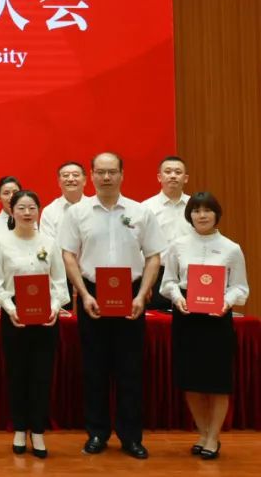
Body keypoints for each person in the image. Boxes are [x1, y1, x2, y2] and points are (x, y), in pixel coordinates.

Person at [59, 152, 166, 460]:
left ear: (122, 175)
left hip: (131, 297)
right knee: (94, 369)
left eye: (112, 172)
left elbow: (154, 256)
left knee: (130, 370)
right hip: (92, 295)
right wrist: (83, 294)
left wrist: (141, 295)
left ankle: (131, 437)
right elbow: (68, 255)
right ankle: (97, 433)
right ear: (92, 175)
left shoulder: (141, 212)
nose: (106, 177)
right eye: (101, 172)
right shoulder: (77, 213)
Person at [160, 192, 249, 460]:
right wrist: (177, 298)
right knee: (191, 381)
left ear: (216, 214)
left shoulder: (231, 248)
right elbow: (168, 282)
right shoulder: (177, 245)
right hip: (187, 317)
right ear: (190, 215)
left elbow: (240, 287)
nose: (202, 215)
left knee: (217, 382)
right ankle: (203, 432)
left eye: (207, 210)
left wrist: (226, 302)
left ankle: (213, 437)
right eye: (196, 210)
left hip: (217, 319)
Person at [0, 190, 69, 458]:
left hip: (46, 319)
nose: (27, 212)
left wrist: (54, 308)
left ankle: (38, 431)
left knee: (42, 375)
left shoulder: (50, 243)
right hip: (15, 318)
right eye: (21, 208)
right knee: (17, 375)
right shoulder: (0, 243)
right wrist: (11, 309)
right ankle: (20, 429)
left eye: (32, 207)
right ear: (12, 211)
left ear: (38, 211)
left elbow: (60, 283)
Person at [143, 156, 191, 310]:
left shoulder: (196, 207)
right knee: (157, 319)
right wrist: (145, 283)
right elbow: (138, 246)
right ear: (159, 177)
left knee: (189, 319)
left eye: (178, 172)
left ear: (185, 178)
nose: (173, 175)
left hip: (189, 274)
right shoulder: (146, 208)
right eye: (168, 171)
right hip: (157, 274)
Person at [39, 162, 87, 241]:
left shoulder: (94, 207)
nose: (70, 179)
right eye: (65, 175)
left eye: (75, 175)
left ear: (84, 180)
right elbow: (48, 243)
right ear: (59, 182)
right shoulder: (49, 211)